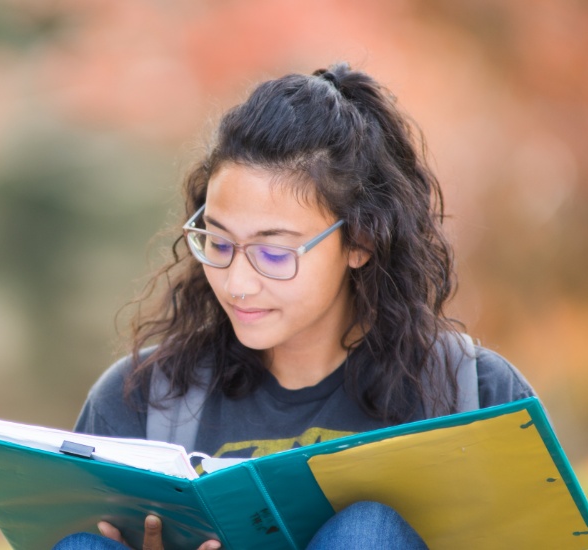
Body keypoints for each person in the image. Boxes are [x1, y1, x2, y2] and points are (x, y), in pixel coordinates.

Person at [52, 63, 535, 550]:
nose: (237, 283)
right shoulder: (143, 398)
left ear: (360, 240)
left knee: (367, 533)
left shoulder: (472, 391)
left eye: (273, 252)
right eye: (218, 243)